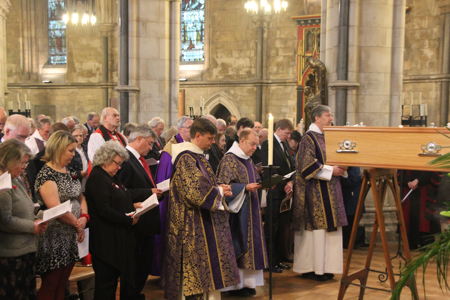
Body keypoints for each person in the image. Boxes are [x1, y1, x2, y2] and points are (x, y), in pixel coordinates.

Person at [164, 118, 239, 299]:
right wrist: (219, 190)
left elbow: (205, 185)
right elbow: (195, 192)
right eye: (210, 138)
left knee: (206, 273)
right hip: (190, 225)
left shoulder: (197, 156)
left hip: (200, 222)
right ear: (197, 135)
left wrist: (220, 188)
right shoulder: (186, 158)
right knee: (194, 275)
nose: (213, 142)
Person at [85, 141, 151, 300]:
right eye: (117, 163)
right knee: (106, 285)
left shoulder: (110, 176)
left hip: (117, 239)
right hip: (106, 241)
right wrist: (128, 219)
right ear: (106, 159)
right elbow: (104, 209)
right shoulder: (97, 178)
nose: (119, 167)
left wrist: (131, 205)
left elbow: (121, 196)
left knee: (114, 282)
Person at [292, 105, 348, 281]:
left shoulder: (326, 136)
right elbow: (306, 165)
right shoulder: (308, 138)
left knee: (330, 231)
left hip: (331, 191)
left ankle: (327, 267)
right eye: (327, 115)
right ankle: (313, 268)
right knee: (316, 231)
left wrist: (343, 166)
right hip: (315, 193)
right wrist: (332, 170)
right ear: (317, 118)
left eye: (331, 115)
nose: (331, 118)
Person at [35, 130, 89, 300]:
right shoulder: (47, 174)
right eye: (70, 150)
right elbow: (56, 208)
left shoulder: (70, 170)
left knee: (63, 281)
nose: (73, 155)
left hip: (71, 233)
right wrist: (77, 224)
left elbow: (80, 196)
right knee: (52, 282)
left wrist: (84, 217)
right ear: (58, 148)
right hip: (54, 234)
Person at [217, 129, 267, 297]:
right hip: (236, 215)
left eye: (257, 145)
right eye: (253, 144)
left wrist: (264, 183)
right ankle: (233, 286)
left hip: (251, 209)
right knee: (238, 243)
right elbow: (222, 187)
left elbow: (253, 180)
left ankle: (248, 283)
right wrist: (244, 188)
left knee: (251, 246)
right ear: (243, 141)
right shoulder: (229, 159)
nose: (255, 148)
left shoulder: (248, 159)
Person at [117, 125, 163, 292]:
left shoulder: (139, 160)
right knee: (134, 269)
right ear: (138, 139)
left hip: (146, 222)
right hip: (136, 223)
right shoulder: (125, 159)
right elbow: (122, 191)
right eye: (149, 143)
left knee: (142, 267)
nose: (151, 148)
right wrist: (148, 191)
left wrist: (157, 191)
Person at [0, 139, 47, 299]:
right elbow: (4, 220)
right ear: (10, 160)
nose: (24, 167)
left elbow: (23, 207)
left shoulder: (13, 179)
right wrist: (32, 226)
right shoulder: (3, 184)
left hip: (25, 250)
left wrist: (40, 216)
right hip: (11, 255)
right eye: (22, 163)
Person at [154, 116, 193, 278]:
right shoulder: (170, 150)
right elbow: (164, 181)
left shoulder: (188, 146)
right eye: (191, 128)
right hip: (172, 202)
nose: (194, 131)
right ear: (181, 129)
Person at [261, 119, 295, 273]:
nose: (288, 136)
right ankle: (270, 261)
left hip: (285, 191)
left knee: (282, 227)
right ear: (279, 129)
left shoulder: (284, 144)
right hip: (274, 191)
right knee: (272, 227)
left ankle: (280, 258)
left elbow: (291, 165)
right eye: (287, 133)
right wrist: (281, 181)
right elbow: (269, 169)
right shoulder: (269, 144)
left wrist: (291, 182)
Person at [69, 124, 89, 191]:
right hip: (75, 184)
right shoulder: (69, 151)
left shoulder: (86, 148)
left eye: (81, 135)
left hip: (88, 181)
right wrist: (80, 173)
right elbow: (67, 173)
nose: (79, 137)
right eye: (76, 136)